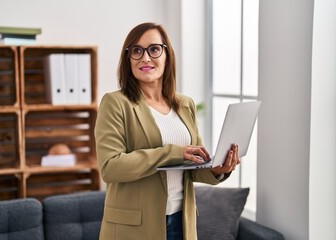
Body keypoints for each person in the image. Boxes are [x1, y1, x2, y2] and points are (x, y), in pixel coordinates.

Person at [95, 22, 241, 240]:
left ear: (167, 55)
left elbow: (192, 167)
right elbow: (111, 168)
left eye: (154, 49)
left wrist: (217, 169)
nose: (145, 58)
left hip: (181, 221)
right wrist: (173, 153)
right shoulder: (115, 103)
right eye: (136, 51)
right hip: (135, 228)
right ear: (128, 59)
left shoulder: (185, 104)